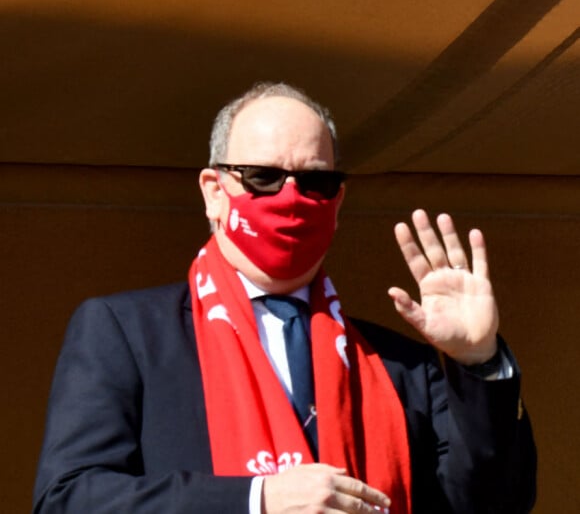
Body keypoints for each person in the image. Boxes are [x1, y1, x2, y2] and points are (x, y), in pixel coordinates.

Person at [33, 82, 536, 514]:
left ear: (337, 203)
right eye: (264, 177)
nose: (291, 197)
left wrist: (477, 362)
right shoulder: (127, 332)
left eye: (315, 181)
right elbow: (69, 497)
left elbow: (495, 504)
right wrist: (257, 500)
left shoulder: (401, 366)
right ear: (214, 190)